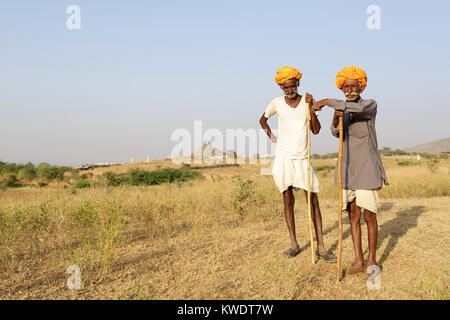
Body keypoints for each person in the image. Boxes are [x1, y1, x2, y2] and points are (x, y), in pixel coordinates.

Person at [312, 66, 388, 274]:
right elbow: (336, 133)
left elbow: (357, 110)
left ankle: (372, 260)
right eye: (346, 86)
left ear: (361, 86)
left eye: (354, 85)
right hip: (347, 170)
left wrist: (326, 102)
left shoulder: (369, 105)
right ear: (342, 88)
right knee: (353, 215)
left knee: (369, 216)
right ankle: (358, 260)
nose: (350, 89)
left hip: (367, 169)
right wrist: (336, 118)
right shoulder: (342, 109)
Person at [259, 66, 336, 262]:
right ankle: (294, 244)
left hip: (302, 158)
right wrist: (271, 136)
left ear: (298, 84)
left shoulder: (307, 101)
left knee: (313, 201)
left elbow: (316, 130)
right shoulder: (276, 102)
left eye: (292, 86)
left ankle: (321, 247)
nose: (289, 90)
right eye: (285, 88)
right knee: (288, 200)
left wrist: (311, 107)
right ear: (281, 87)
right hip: (283, 158)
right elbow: (262, 120)